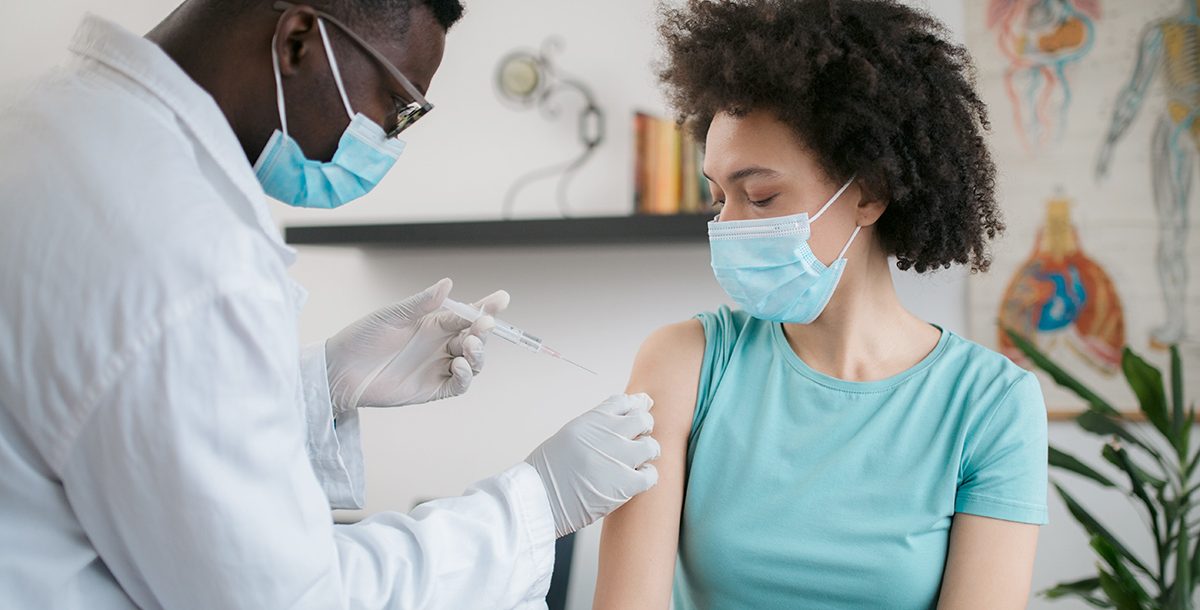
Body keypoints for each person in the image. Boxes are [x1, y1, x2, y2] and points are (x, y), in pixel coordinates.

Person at [0, 1, 660, 608]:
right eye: (398, 105)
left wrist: (317, 385)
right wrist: (537, 503)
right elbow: (293, 598)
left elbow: (121, 421)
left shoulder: (47, 125)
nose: (390, 138)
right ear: (298, 40)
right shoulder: (185, 251)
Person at [593, 1, 1048, 608]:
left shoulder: (991, 405)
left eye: (759, 196)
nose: (727, 225)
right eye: (717, 197)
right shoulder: (685, 364)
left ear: (869, 193)